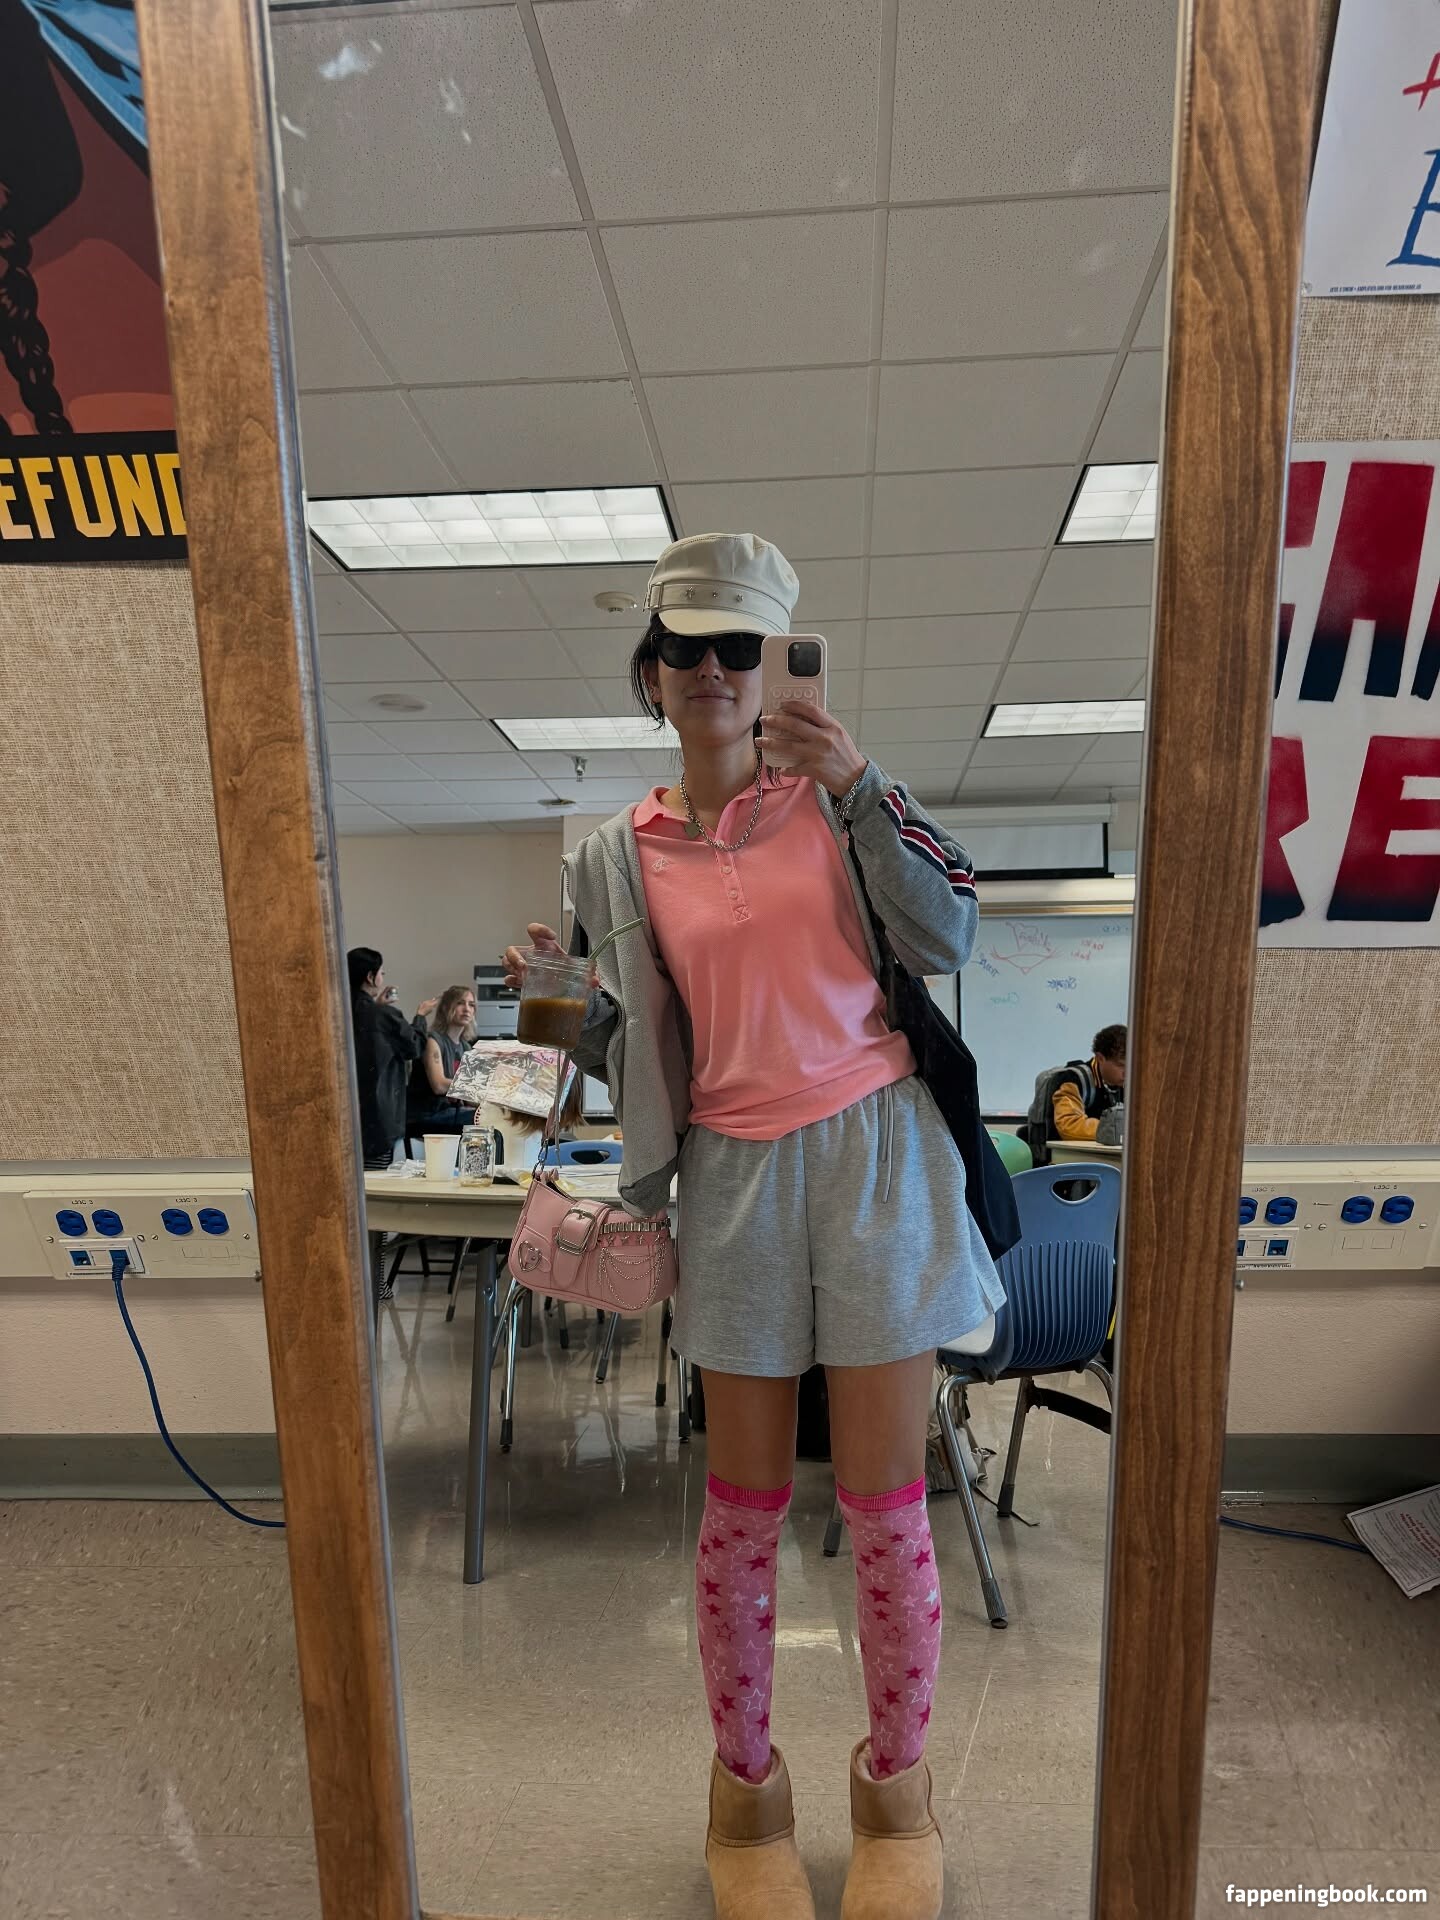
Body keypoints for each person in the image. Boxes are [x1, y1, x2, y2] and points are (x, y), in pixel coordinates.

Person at [504, 532, 1001, 1920]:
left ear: (775, 661)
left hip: (878, 1152)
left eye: (742, 647)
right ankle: (746, 1801)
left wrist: (861, 782)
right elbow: (623, 1051)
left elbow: (951, 936)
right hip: (729, 1172)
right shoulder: (614, 855)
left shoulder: (838, 802)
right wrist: (556, 1006)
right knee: (740, 1515)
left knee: (886, 1509)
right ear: (652, 672)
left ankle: (897, 1794)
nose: (715, 671)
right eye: (688, 648)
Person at [346, 947, 436, 1171]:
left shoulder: (339, 1012)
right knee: (373, 1177)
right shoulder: (383, 1016)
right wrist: (420, 1017)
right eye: (381, 973)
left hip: (345, 1114)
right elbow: (414, 1046)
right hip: (377, 1115)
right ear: (370, 977)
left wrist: (377, 1005)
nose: (382, 976)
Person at [1023, 1023, 1127, 1163]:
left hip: (1107, 1160)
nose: (1127, 1072)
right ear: (1100, 1058)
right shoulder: (1072, 1080)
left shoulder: (1127, 1086)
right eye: (1121, 1065)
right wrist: (1116, 1130)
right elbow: (1069, 1125)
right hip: (1068, 1165)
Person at [405, 984, 477, 1140]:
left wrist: (493, 1104)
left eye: (471, 1005)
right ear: (446, 1008)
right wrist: (475, 1090)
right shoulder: (433, 1041)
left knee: (496, 1116)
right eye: (460, 1003)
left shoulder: (466, 1047)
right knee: (484, 1120)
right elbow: (439, 1085)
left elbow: (470, 1096)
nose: (467, 1009)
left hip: (451, 1111)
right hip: (427, 1114)